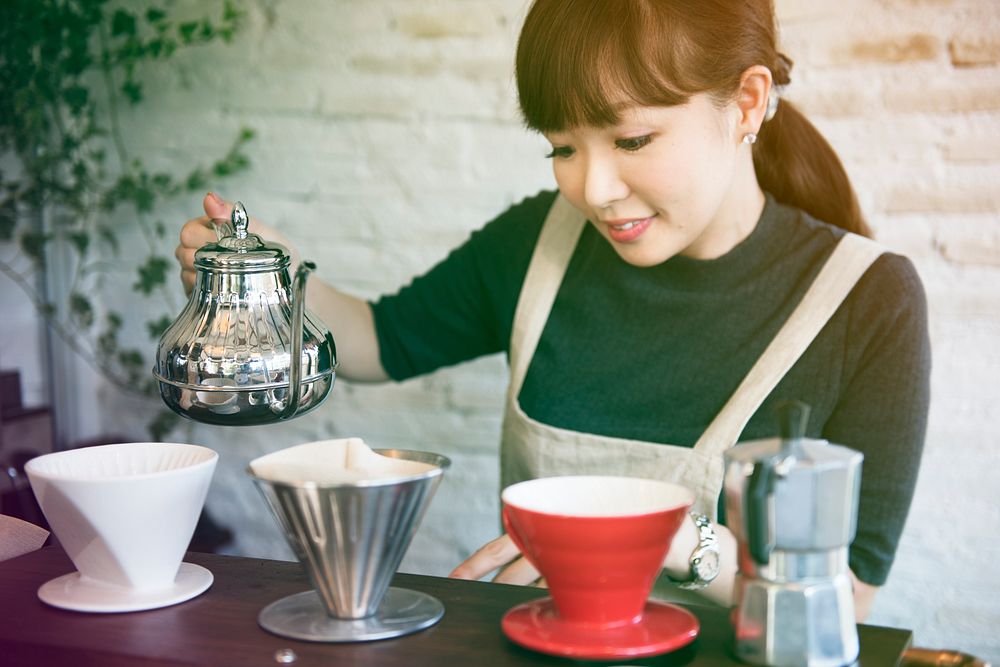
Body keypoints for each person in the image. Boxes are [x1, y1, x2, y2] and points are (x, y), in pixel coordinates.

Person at [175, 0, 929, 621]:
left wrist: (651, 528)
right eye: (562, 147)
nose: (594, 187)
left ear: (748, 102)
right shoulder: (537, 242)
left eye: (632, 137)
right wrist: (271, 280)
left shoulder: (869, 301)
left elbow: (851, 597)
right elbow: (378, 340)